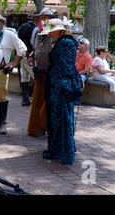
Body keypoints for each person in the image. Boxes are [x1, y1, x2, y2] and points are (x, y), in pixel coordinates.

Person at [41, 18, 82, 165]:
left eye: (51, 31)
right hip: (58, 85)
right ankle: (58, 148)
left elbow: (66, 67)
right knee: (57, 119)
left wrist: (63, 84)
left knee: (61, 118)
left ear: (58, 30)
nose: (50, 34)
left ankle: (61, 150)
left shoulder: (65, 42)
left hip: (61, 87)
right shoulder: (62, 42)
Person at [0, 13, 27, 135]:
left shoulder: (9, 35)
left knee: (1, 96)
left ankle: (2, 123)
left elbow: (22, 48)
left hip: (1, 70)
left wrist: (14, 62)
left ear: (2, 23)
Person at [26, 7, 57, 137]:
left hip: (50, 74)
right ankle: (36, 128)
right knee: (37, 101)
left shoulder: (56, 35)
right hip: (39, 72)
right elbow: (36, 49)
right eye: (42, 18)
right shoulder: (37, 33)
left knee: (48, 104)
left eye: (46, 18)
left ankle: (47, 127)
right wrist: (32, 56)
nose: (43, 20)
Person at [17, 11, 46, 106]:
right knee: (36, 76)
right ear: (38, 19)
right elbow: (34, 43)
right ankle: (39, 99)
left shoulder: (22, 27)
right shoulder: (35, 29)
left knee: (24, 77)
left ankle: (25, 99)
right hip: (29, 55)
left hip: (21, 55)